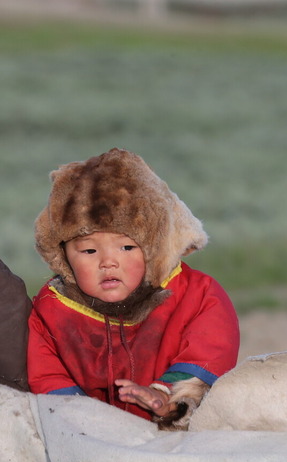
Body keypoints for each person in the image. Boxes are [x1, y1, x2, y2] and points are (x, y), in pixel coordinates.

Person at [27, 148, 240, 429]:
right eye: (89, 251)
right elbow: (46, 374)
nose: (108, 262)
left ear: (154, 248)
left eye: (127, 247)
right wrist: (80, 417)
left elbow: (209, 351)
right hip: (88, 434)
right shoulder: (51, 310)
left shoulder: (196, 294)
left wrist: (166, 394)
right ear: (63, 257)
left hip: (180, 430)